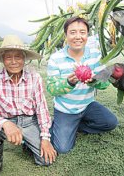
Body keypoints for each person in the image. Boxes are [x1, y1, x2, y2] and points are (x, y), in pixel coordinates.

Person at [0, 35, 57, 176]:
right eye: (8, 57)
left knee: (46, 160)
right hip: (5, 122)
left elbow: (41, 109)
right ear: (2, 59)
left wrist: (45, 138)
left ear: (24, 59)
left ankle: (27, 144)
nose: (13, 62)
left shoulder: (34, 78)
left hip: (29, 122)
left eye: (18, 57)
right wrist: (5, 123)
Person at [46, 16, 119, 154]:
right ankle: (59, 125)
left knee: (111, 123)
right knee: (62, 148)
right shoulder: (56, 59)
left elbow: (104, 84)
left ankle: (76, 126)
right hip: (65, 109)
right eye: (73, 32)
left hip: (88, 106)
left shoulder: (96, 55)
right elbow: (52, 89)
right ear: (66, 35)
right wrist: (69, 82)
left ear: (87, 35)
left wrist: (94, 80)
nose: (78, 36)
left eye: (82, 32)